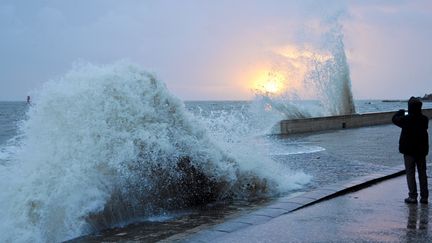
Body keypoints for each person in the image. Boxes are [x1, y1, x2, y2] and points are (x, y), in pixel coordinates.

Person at [392, 97, 429, 204]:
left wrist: (400, 112)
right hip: (421, 151)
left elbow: (394, 119)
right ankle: (424, 197)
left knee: (410, 173)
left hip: (409, 152)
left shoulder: (406, 119)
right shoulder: (424, 119)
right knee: (422, 173)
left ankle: (413, 196)